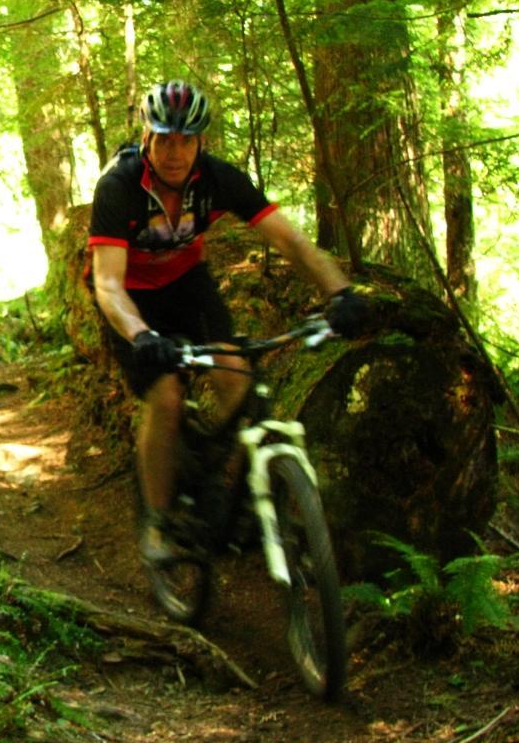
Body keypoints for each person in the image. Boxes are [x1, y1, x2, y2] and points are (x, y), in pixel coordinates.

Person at [87, 79, 366, 564]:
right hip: (132, 300)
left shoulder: (218, 180)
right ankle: (157, 520)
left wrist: (339, 291)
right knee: (167, 395)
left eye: (186, 140)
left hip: (188, 285)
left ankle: (234, 492)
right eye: (165, 139)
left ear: (201, 141)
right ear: (146, 138)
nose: (175, 152)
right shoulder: (119, 187)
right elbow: (108, 284)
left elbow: (292, 242)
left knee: (237, 378)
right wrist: (142, 335)